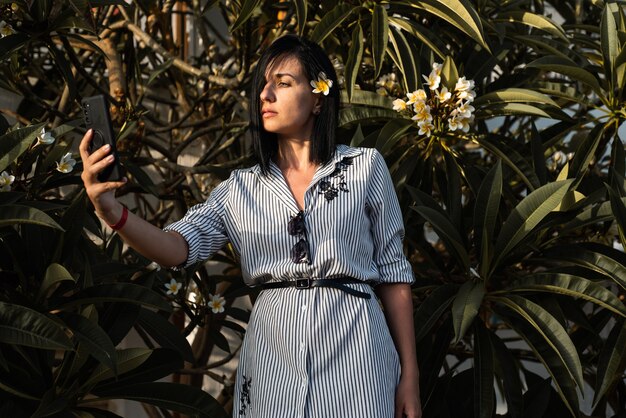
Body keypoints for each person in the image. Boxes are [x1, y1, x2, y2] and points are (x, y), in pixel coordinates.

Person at [80, 34, 422, 418]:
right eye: (263, 85)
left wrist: (410, 375)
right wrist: (112, 212)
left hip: (358, 353)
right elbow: (176, 247)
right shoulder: (239, 188)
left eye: (283, 83)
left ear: (319, 97)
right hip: (274, 357)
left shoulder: (365, 167)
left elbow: (394, 275)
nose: (265, 95)